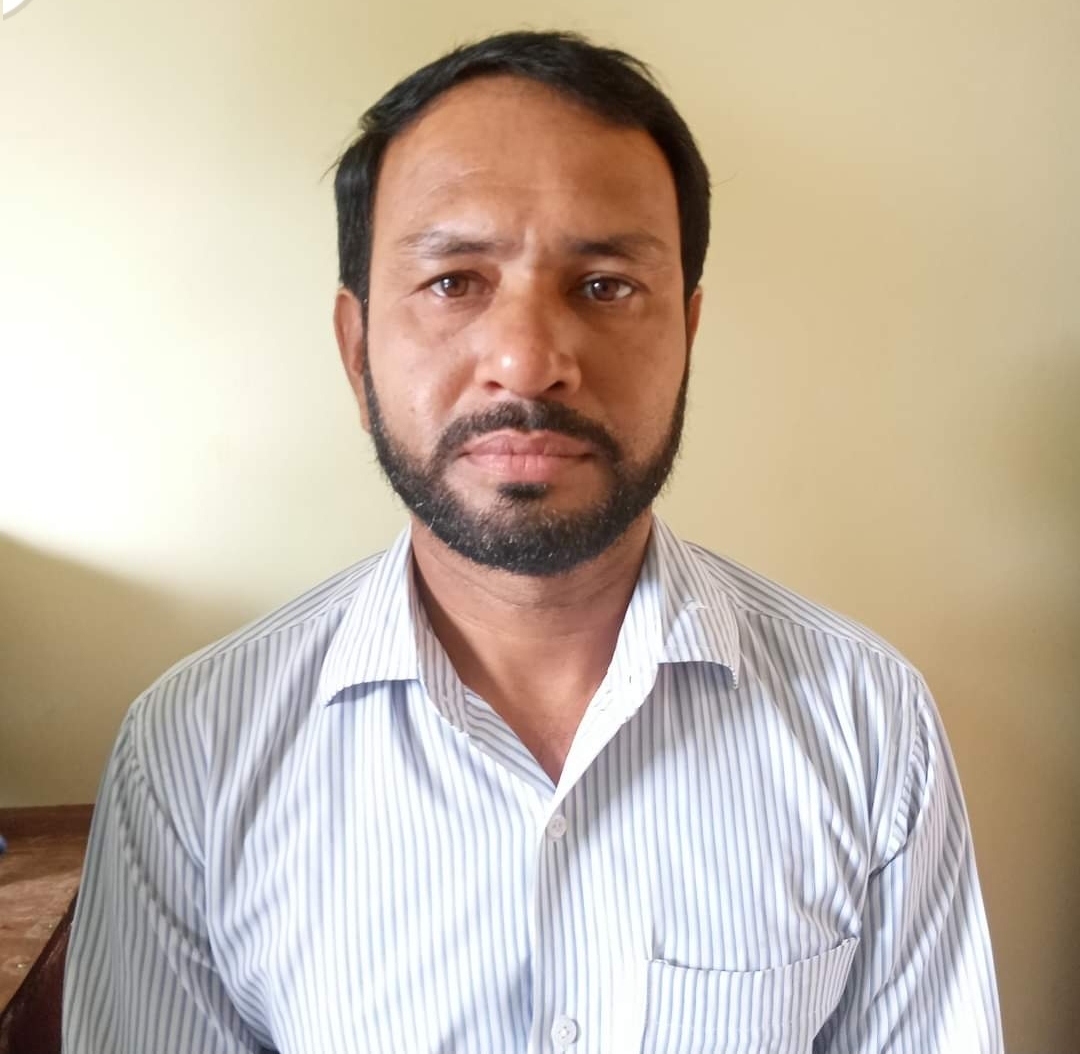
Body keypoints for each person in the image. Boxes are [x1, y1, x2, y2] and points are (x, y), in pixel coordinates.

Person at [62, 30, 1003, 1054]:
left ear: (687, 335)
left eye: (604, 285)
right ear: (356, 346)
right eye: (454, 281)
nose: (525, 360)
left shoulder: (868, 722)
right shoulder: (193, 754)